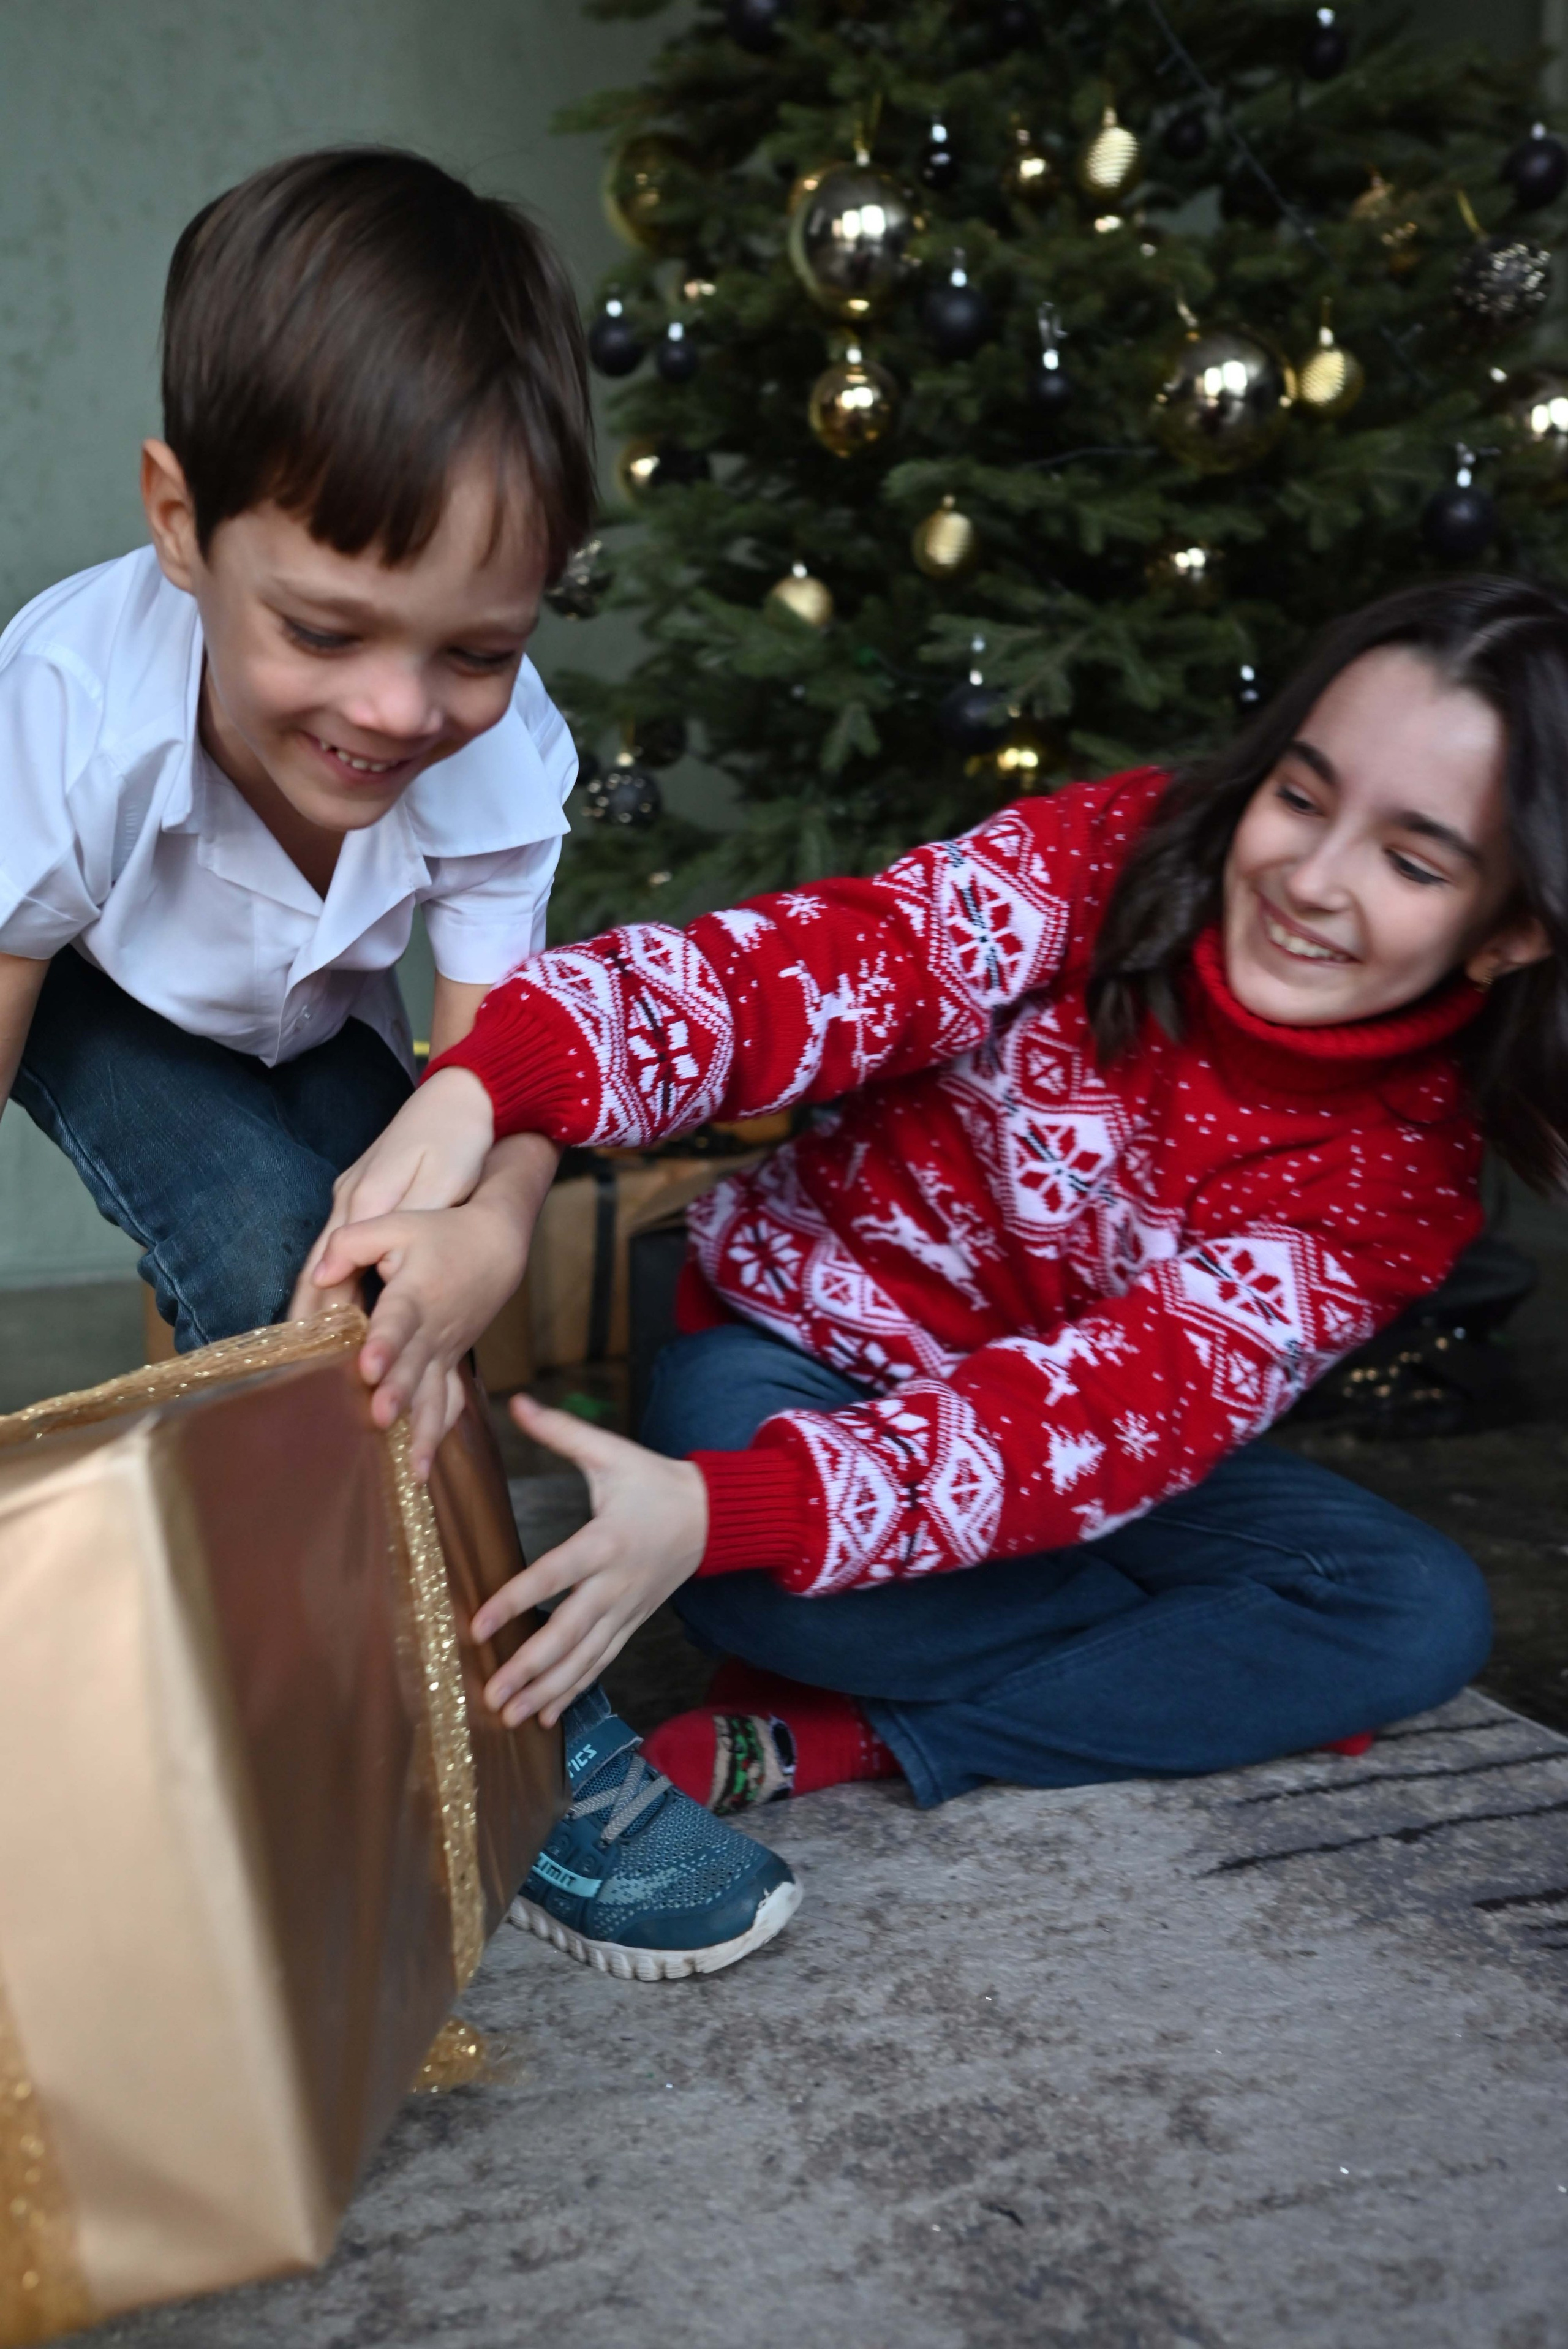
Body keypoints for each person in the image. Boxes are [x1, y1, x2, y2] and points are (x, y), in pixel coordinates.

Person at [309, 576, 1566, 1816]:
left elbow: (1123, 1409)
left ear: (1510, 931)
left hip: (1080, 1448)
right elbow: (830, 964)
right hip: (798, 1356)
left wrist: (725, 1519)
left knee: (1414, 1614)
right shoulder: (1107, 861)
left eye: (1408, 860)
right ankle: (1155, 1668)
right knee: (746, 1561)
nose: (1311, 876)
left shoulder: (1395, 1179)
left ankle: (856, 1729)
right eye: (1298, 795)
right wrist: (491, 1079)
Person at [0, 147, 798, 1976]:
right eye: (325, 631)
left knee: (418, 1309)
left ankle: (436, 1673)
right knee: (284, 1273)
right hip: (105, 1001)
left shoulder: (499, 745)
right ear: (182, 525)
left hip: (348, 1023)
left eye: (474, 652)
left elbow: (500, 1052)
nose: (394, 712)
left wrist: (493, 1227)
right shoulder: (67, 711)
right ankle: (522, 1753)